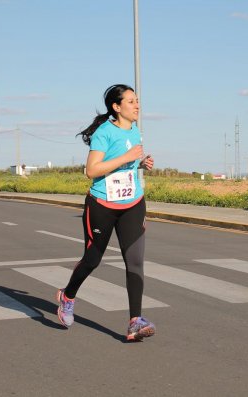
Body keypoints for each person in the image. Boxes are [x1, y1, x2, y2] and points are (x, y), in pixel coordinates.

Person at [56, 84, 156, 341]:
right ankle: (67, 296)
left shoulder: (135, 131)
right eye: (131, 101)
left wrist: (140, 164)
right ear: (116, 106)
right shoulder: (104, 132)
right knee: (92, 259)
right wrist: (126, 158)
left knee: (135, 262)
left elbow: (127, 165)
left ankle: (135, 321)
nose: (137, 105)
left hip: (132, 203)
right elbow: (92, 170)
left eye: (137, 101)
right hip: (102, 205)